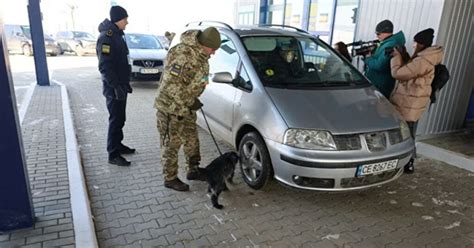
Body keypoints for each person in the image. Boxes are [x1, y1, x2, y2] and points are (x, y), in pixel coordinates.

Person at [154, 27, 221, 191]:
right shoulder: (183, 54)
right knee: (171, 145)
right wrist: (189, 100)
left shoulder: (201, 55)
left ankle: (193, 170)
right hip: (170, 107)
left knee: (191, 140)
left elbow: (195, 81)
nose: (213, 53)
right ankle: (170, 178)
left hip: (186, 107)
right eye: (212, 49)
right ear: (205, 44)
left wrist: (191, 100)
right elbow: (170, 85)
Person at [390, 28, 444, 173]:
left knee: (408, 135)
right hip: (410, 103)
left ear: (420, 44)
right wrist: (405, 55)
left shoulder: (424, 60)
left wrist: (396, 56)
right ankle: (406, 162)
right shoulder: (423, 58)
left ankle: (409, 163)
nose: (413, 45)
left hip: (410, 105)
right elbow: (412, 69)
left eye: (415, 42)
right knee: (407, 133)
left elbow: (399, 73)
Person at [96, 6, 135, 167]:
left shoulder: (118, 35)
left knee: (120, 119)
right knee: (115, 119)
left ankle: (118, 145)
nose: (127, 22)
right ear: (118, 19)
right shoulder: (107, 37)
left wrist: (125, 84)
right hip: (113, 89)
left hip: (120, 86)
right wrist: (116, 86)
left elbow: (121, 63)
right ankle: (113, 154)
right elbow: (105, 66)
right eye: (125, 19)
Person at [363, 19, 406, 98]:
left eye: (378, 33)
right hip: (377, 83)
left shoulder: (390, 45)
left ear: (386, 32)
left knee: (376, 109)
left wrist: (368, 58)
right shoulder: (385, 43)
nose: (377, 36)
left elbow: (380, 65)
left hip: (380, 85)